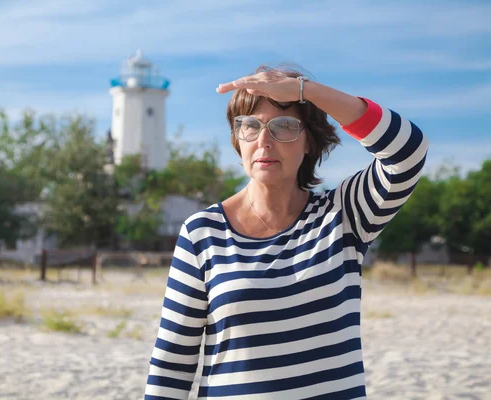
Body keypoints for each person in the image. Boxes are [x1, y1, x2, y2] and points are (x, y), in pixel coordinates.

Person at [144, 65, 429, 399]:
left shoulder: (344, 214)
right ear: (237, 138)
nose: (264, 140)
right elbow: (171, 366)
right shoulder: (202, 232)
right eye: (249, 126)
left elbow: (408, 151)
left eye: (284, 126)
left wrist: (306, 91)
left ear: (309, 141)